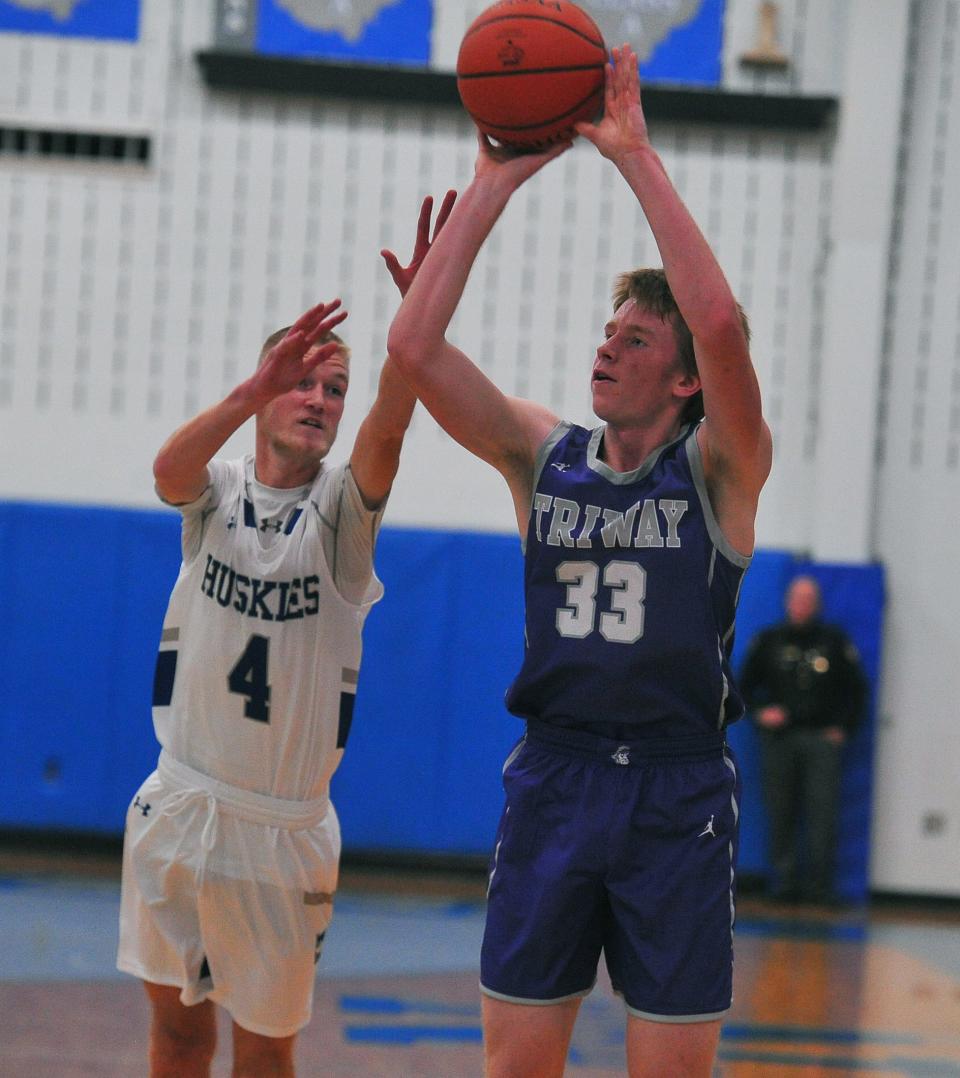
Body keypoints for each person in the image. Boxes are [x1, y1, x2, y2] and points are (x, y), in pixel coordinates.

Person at [387, 45, 772, 1078]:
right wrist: (497, 177)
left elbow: (725, 324)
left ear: (687, 380)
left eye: (639, 339)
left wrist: (632, 155)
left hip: (676, 789)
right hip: (555, 775)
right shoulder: (541, 452)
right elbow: (415, 351)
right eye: (607, 331)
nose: (608, 347)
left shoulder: (722, 470)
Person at [116, 191, 456, 1078]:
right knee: (178, 1035)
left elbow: (390, 425)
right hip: (180, 800)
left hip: (281, 830)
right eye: (301, 380)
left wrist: (416, 327)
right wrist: (245, 392)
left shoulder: (341, 517)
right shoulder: (217, 488)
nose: (318, 399)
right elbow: (164, 474)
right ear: (264, 390)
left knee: (265, 1054)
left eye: (332, 389)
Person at [739, 574, 868, 906]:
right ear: (787, 602)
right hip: (780, 739)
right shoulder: (769, 640)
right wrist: (760, 712)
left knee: (822, 812)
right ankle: (783, 882)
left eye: (808, 600)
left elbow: (857, 690)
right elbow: (742, 685)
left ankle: (820, 887)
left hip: (821, 739)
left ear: (817, 604)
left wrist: (843, 728)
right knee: (779, 809)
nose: (802, 606)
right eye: (797, 599)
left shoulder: (834, 642)